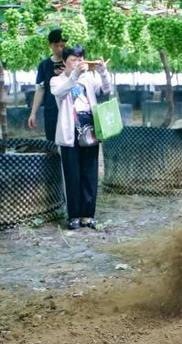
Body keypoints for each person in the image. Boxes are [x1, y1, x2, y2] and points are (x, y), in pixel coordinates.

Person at [50, 46, 111, 230]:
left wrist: (103, 72)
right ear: (65, 62)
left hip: (90, 130)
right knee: (72, 175)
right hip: (70, 133)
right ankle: (74, 216)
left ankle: (88, 215)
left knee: (90, 174)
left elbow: (106, 90)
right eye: (73, 60)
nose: (78, 63)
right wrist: (74, 75)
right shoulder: (56, 80)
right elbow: (59, 93)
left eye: (80, 59)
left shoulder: (89, 78)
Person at [28, 29, 67, 141]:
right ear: (50, 45)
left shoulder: (71, 62)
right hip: (51, 110)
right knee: (52, 142)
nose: (60, 49)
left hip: (69, 109)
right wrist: (33, 113)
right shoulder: (44, 65)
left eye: (62, 45)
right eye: (56, 45)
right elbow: (40, 90)